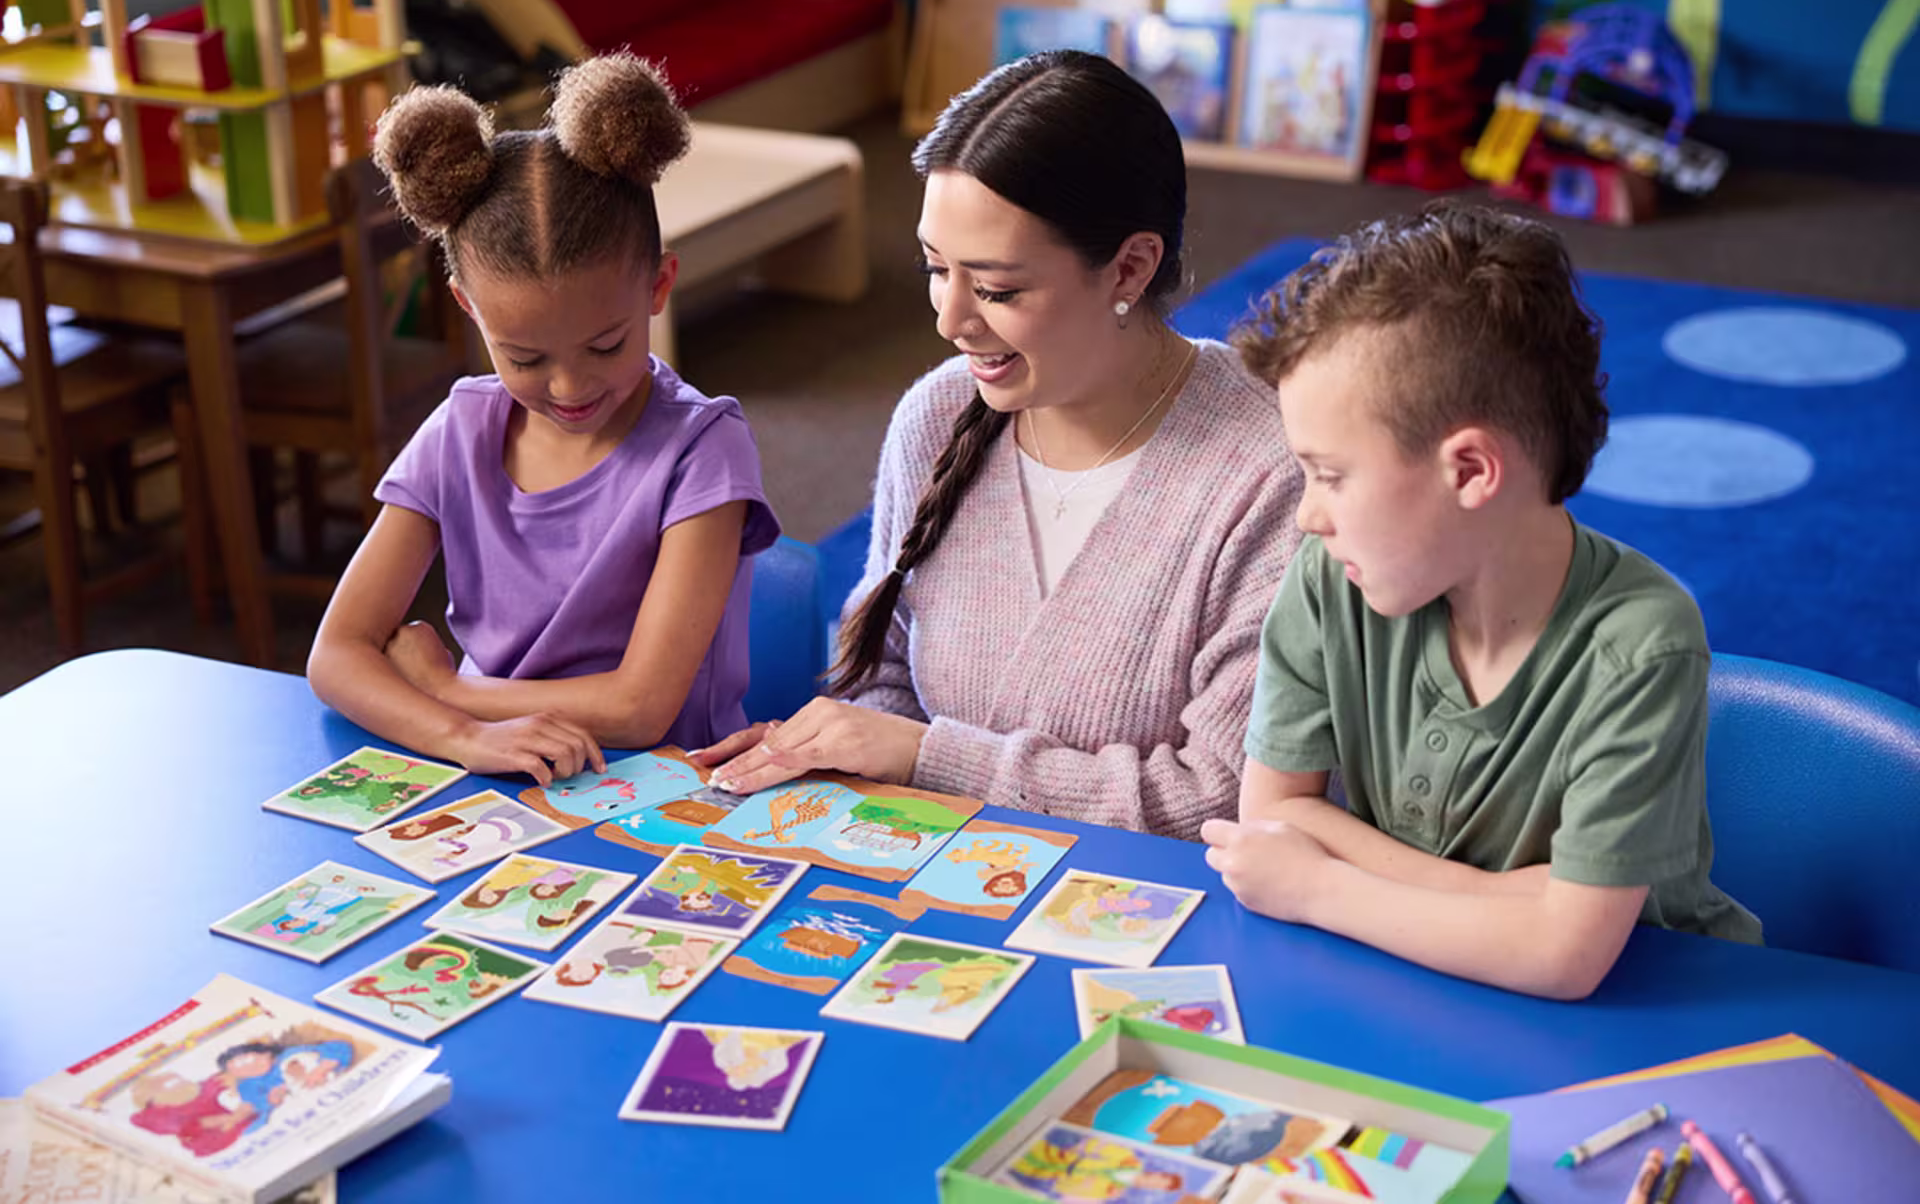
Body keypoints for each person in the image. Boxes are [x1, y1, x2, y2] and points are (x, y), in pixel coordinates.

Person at [693, 51, 1304, 840]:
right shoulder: (940, 413)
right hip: (938, 878)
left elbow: (1221, 797)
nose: (950, 321)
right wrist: (864, 756)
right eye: (934, 267)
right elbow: (879, 672)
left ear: (1131, 267)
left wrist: (929, 759)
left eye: (997, 289)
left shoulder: (1272, 475)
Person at [1201, 203, 1761, 1000]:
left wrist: (1318, 887)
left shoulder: (1643, 642)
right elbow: (1274, 820)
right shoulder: (1334, 575)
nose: (1306, 513)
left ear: (1469, 471)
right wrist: (1523, 905)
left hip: (1652, 1011)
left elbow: (1567, 961)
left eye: (1329, 474)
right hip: (1425, 983)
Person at [307, 53, 779, 784]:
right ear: (471, 309)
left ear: (658, 287)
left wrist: (449, 692)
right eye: (524, 358)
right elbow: (336, 654)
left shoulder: (703, 450)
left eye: (605, 345)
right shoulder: (460, 432)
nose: (568, 387)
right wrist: (461, 736)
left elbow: (642, 706)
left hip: (675, 794)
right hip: (499, 773)